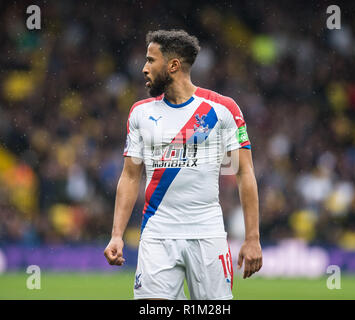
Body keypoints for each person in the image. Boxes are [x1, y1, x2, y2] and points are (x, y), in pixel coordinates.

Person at [104, 29, 262, 300]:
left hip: (207, 234)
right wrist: (117, 234)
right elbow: (130, 177)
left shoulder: (223, 110)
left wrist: (252, 237)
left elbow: (244, 172)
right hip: (157, 235)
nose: (144, 68)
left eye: (151, 60)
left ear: (173, 65)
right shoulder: (140, 113)